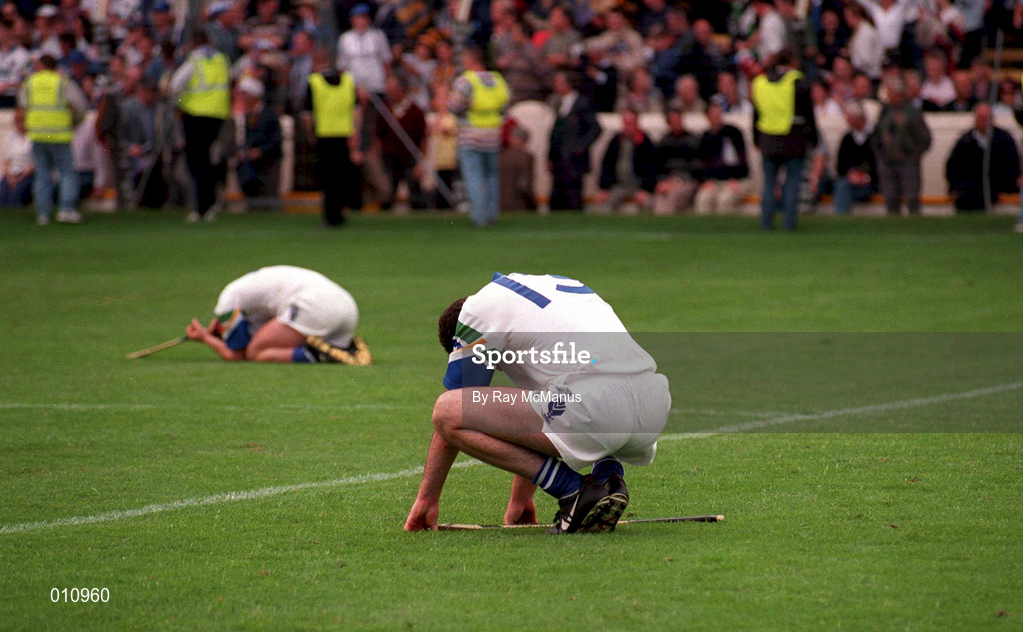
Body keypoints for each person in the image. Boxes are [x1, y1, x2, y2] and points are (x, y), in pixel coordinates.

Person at [404, 272, 671, 534]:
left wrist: (427, 500)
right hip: (652, 408)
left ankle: (572, 490)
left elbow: (456, 410)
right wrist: (520, 501)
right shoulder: (540, 291)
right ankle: (607, 479)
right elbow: (537, 409)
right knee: (574, 401)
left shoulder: (474, 314)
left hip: (596, 409)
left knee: (447, 410)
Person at [185, 265, 371, 364]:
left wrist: (205, 338)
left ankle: (316, 354)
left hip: (315, 307)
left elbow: (238, 354)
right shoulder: (247, 288)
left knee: (256, 352)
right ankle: (340, 348)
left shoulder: (226, 301)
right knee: (265, 343)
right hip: (348, 309)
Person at [751, 49, 818, 231]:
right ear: (792, 61)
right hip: (793, 139)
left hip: (767, 139)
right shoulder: (798, 81)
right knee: (792, 181)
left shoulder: (760, 81)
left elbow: (756, 114)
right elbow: (809, 114)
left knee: (769, 183)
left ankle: (766, 222)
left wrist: (756, 138)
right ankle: (789, 223)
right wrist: (814, 138)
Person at [17, 54, 88, 225]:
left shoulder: (30, 82)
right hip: (58, 134)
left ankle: (43, 213)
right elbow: (80, 106)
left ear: (41, 65)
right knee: (67, 172)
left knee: (42, 174)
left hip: (38, 134)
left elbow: (22, 104)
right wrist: (74, 122)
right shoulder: (62, 82)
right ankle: (66, 209)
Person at [170, 32, 231, 223]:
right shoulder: (222, 60)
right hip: (217, 116)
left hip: (195, 116)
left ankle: (199, 207)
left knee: (196, 162)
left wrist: (179, 104)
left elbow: (175, 85)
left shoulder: (194, 61)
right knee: (208, 160)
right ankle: (210, 205)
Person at [450, 47, 509, 227]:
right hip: (493, 135)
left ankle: (479, 216)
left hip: (471, 135)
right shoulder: (498, 80)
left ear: (471, 59)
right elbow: (505, 103)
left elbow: (455, 106)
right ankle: (492, 214)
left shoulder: (466, 82)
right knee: (491, 176)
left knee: (474, 177)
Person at [305, 54, 363, 226]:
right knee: (342, 176)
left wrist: (310, 134)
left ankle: (330, 214)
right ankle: (340, 211)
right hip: (345, 135)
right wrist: (355, 132)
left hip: (324, 135)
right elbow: (357, 109)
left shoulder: (314, 82)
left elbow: (307, 114)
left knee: (328, 178)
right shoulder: (348, 80)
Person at [871, 75, 930, 215]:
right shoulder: (884, 112)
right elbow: (876, 136)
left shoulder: (912, 112)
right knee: (890, 199)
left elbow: (925, 138)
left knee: (911, 199)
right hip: (887, 162)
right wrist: (880, 155)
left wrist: (915, 154)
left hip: (908, 161)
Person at [945, 103, 1020, 212]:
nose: (984, 122)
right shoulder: (965, 141)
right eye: (981, 118)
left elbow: (1013, 165)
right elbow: (952, 167)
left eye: (987, 118)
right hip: (969, 187)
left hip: (996, 186)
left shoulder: (1004, 139)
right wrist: (956, 186)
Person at [547, 70, 599, 212]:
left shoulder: (582, 103)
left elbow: (595, 128)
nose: (555, 85)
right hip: (559, 161)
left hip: (574, 161)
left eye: (558, 82)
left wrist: (581, 146)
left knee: (573, 198)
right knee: (557, 199)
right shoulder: (558, 103)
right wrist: (550, 156)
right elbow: (555, 133)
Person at [377, 74, 427, 210]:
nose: (388, 92)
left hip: (410, 158)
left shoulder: (415, 111)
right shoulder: (384, 109)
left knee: (416, 198)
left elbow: (423, 138)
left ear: (401, 89)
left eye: (392, 89)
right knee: (387, 196)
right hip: (389, 157)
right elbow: (378, 135)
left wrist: (421, 162)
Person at [595, 109, 657, 212]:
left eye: (630, 123)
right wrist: (604, 188)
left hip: (638, 187)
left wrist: (646, 189)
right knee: (604, 206)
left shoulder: (645, 142)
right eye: (625, 123)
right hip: (618, 186)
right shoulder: (616, 141)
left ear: (637, 123)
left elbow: (651, 168)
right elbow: (607, 165)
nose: (628, 127)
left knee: (648, 203)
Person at [694, 102, 749, 215]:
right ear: (707, 117)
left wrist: (735, 178)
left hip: (735, 180)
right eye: (713, 114)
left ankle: (725, 230)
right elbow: (702, 163)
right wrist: (707, 180)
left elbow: (742, 160)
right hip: (714, 181)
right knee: (703, 198)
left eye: (718, 114)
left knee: (725, 199)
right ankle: (704, 231)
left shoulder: (733, 133)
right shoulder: (705, 137)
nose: (716, 117)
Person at [234, 77, 282, 198]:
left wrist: (261, 151)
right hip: (251, 158)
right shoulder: (248, 115)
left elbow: (276, 139)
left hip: (268, 157)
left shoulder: (269, 114)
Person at [651, 109, 701, 215]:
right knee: (659, 196)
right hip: (668, 181)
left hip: (687, 181)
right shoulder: (664, 142)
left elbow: (696, 167)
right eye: (673, 120)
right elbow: (658, 166)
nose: (676, 123)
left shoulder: (692, 141)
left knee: (673, 196)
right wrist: (662, 182)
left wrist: (677, 181)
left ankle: (669, 226)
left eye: (678, 119)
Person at [833, 101, 878, 215]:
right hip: (849, 182)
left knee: (843, 190)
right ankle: (842, 217)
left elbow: (880, 164)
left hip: (872, 183)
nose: (847, 121)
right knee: (842, 186)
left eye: (850, 117)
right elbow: (840, 166)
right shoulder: (847, 138)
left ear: (859, 118)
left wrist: (866, 177)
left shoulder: (876, 137)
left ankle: (842, 219)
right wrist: (851, 175)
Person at [0, 115, 34, 206]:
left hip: (27, 174)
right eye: (17, 122)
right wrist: (10, 177)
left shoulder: (32, 138)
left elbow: (35, 163)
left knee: (15, 198)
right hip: (11, 173)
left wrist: (20, 178)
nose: (20, 125)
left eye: (22, 122)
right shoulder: (11, 138)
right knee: (2, 197)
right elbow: (7, 161)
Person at [499, 125, 535, 211]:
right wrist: (533, 206)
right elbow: (524, 186)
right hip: (518, 206)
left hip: (499, 206)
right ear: (525, 140)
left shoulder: (500, 156)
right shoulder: (526, 157)